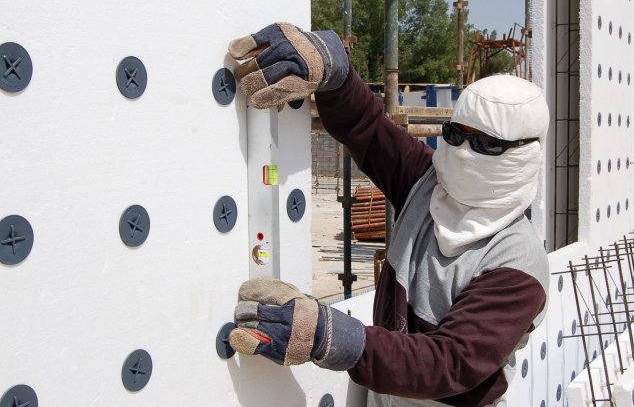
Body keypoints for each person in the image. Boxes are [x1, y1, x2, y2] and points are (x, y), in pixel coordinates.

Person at [225, 23, 550, 407]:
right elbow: (368, 129)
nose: (462, 152)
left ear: (523, 154)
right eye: (455, 134)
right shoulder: (430, 183)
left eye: (483, 143)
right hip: (381, 395)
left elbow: (450, 362)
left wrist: (329, 336)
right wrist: (335, 70)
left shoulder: (519, 265)